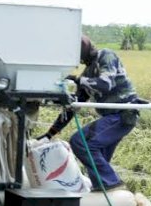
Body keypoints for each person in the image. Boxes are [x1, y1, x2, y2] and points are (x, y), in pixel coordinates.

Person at [39, 35, 140, 191]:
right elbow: (73, 107)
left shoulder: (105, 56)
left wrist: (77, 80)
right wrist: (49, 134)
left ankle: (110, 184)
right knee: (98, 158)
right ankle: (105, 192)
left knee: (81, 142)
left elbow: (105, 84)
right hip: (111, 117)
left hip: (122, 114)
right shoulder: (86, 74)